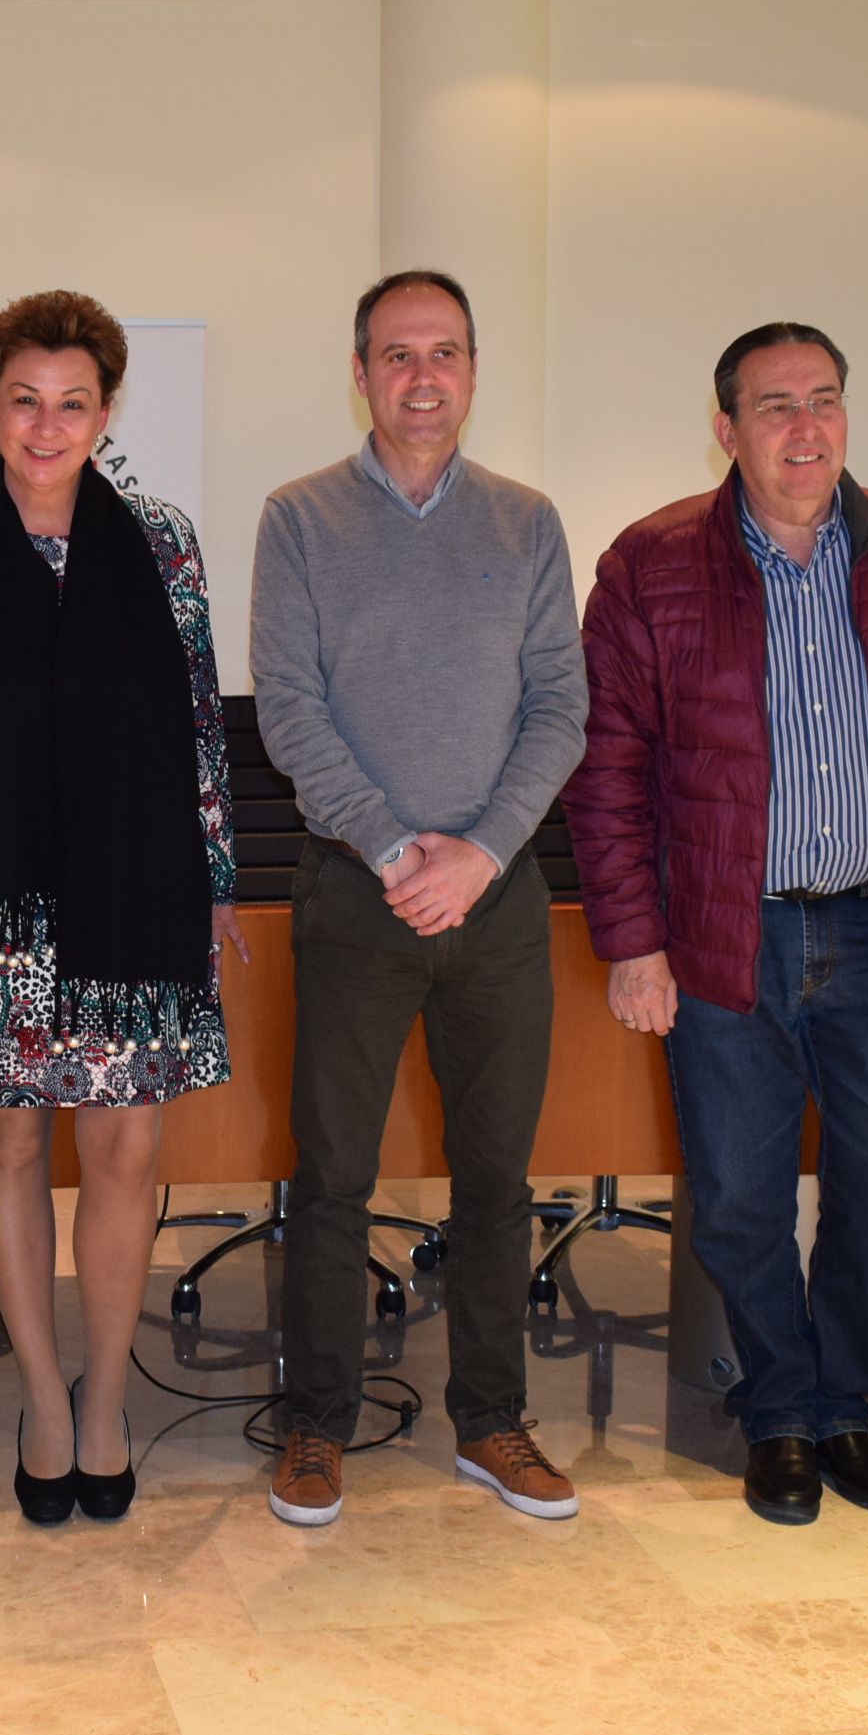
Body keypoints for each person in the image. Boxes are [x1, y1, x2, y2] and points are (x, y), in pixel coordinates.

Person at [566, 323, 868, 1528]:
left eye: (822, 401)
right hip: (722, 938)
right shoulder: (650, 563)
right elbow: (605, 770)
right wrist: (630, 938)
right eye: (772, 407)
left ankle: (842, 1405)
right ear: (725, 429)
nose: (803, 429)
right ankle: (776, 1410)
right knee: (741, 1197)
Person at [0, 291, 240, 1526]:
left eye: (71, 401)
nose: (45, 423)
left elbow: (199, 728)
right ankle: (41, 1395)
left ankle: (105, 1405)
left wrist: (218, 880)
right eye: (23, 399)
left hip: (135, 889)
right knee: (13, 1142)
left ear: (104, 411)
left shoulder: (165, 545)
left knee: (126, 1144)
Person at [248, 270, 588, 1529]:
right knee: (330, 1175)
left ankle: (492, 1421)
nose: (422, 376)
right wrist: (398, 850)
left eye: (443, 352)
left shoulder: (528, 523)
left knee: (495, 1177)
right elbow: (288, 708)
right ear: (360, 373)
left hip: (497, 900)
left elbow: (561, 705)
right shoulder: (298, 519)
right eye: (397, 354)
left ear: (473, 371)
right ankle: (315, 1427)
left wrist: (480, 852)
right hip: (354, 893)